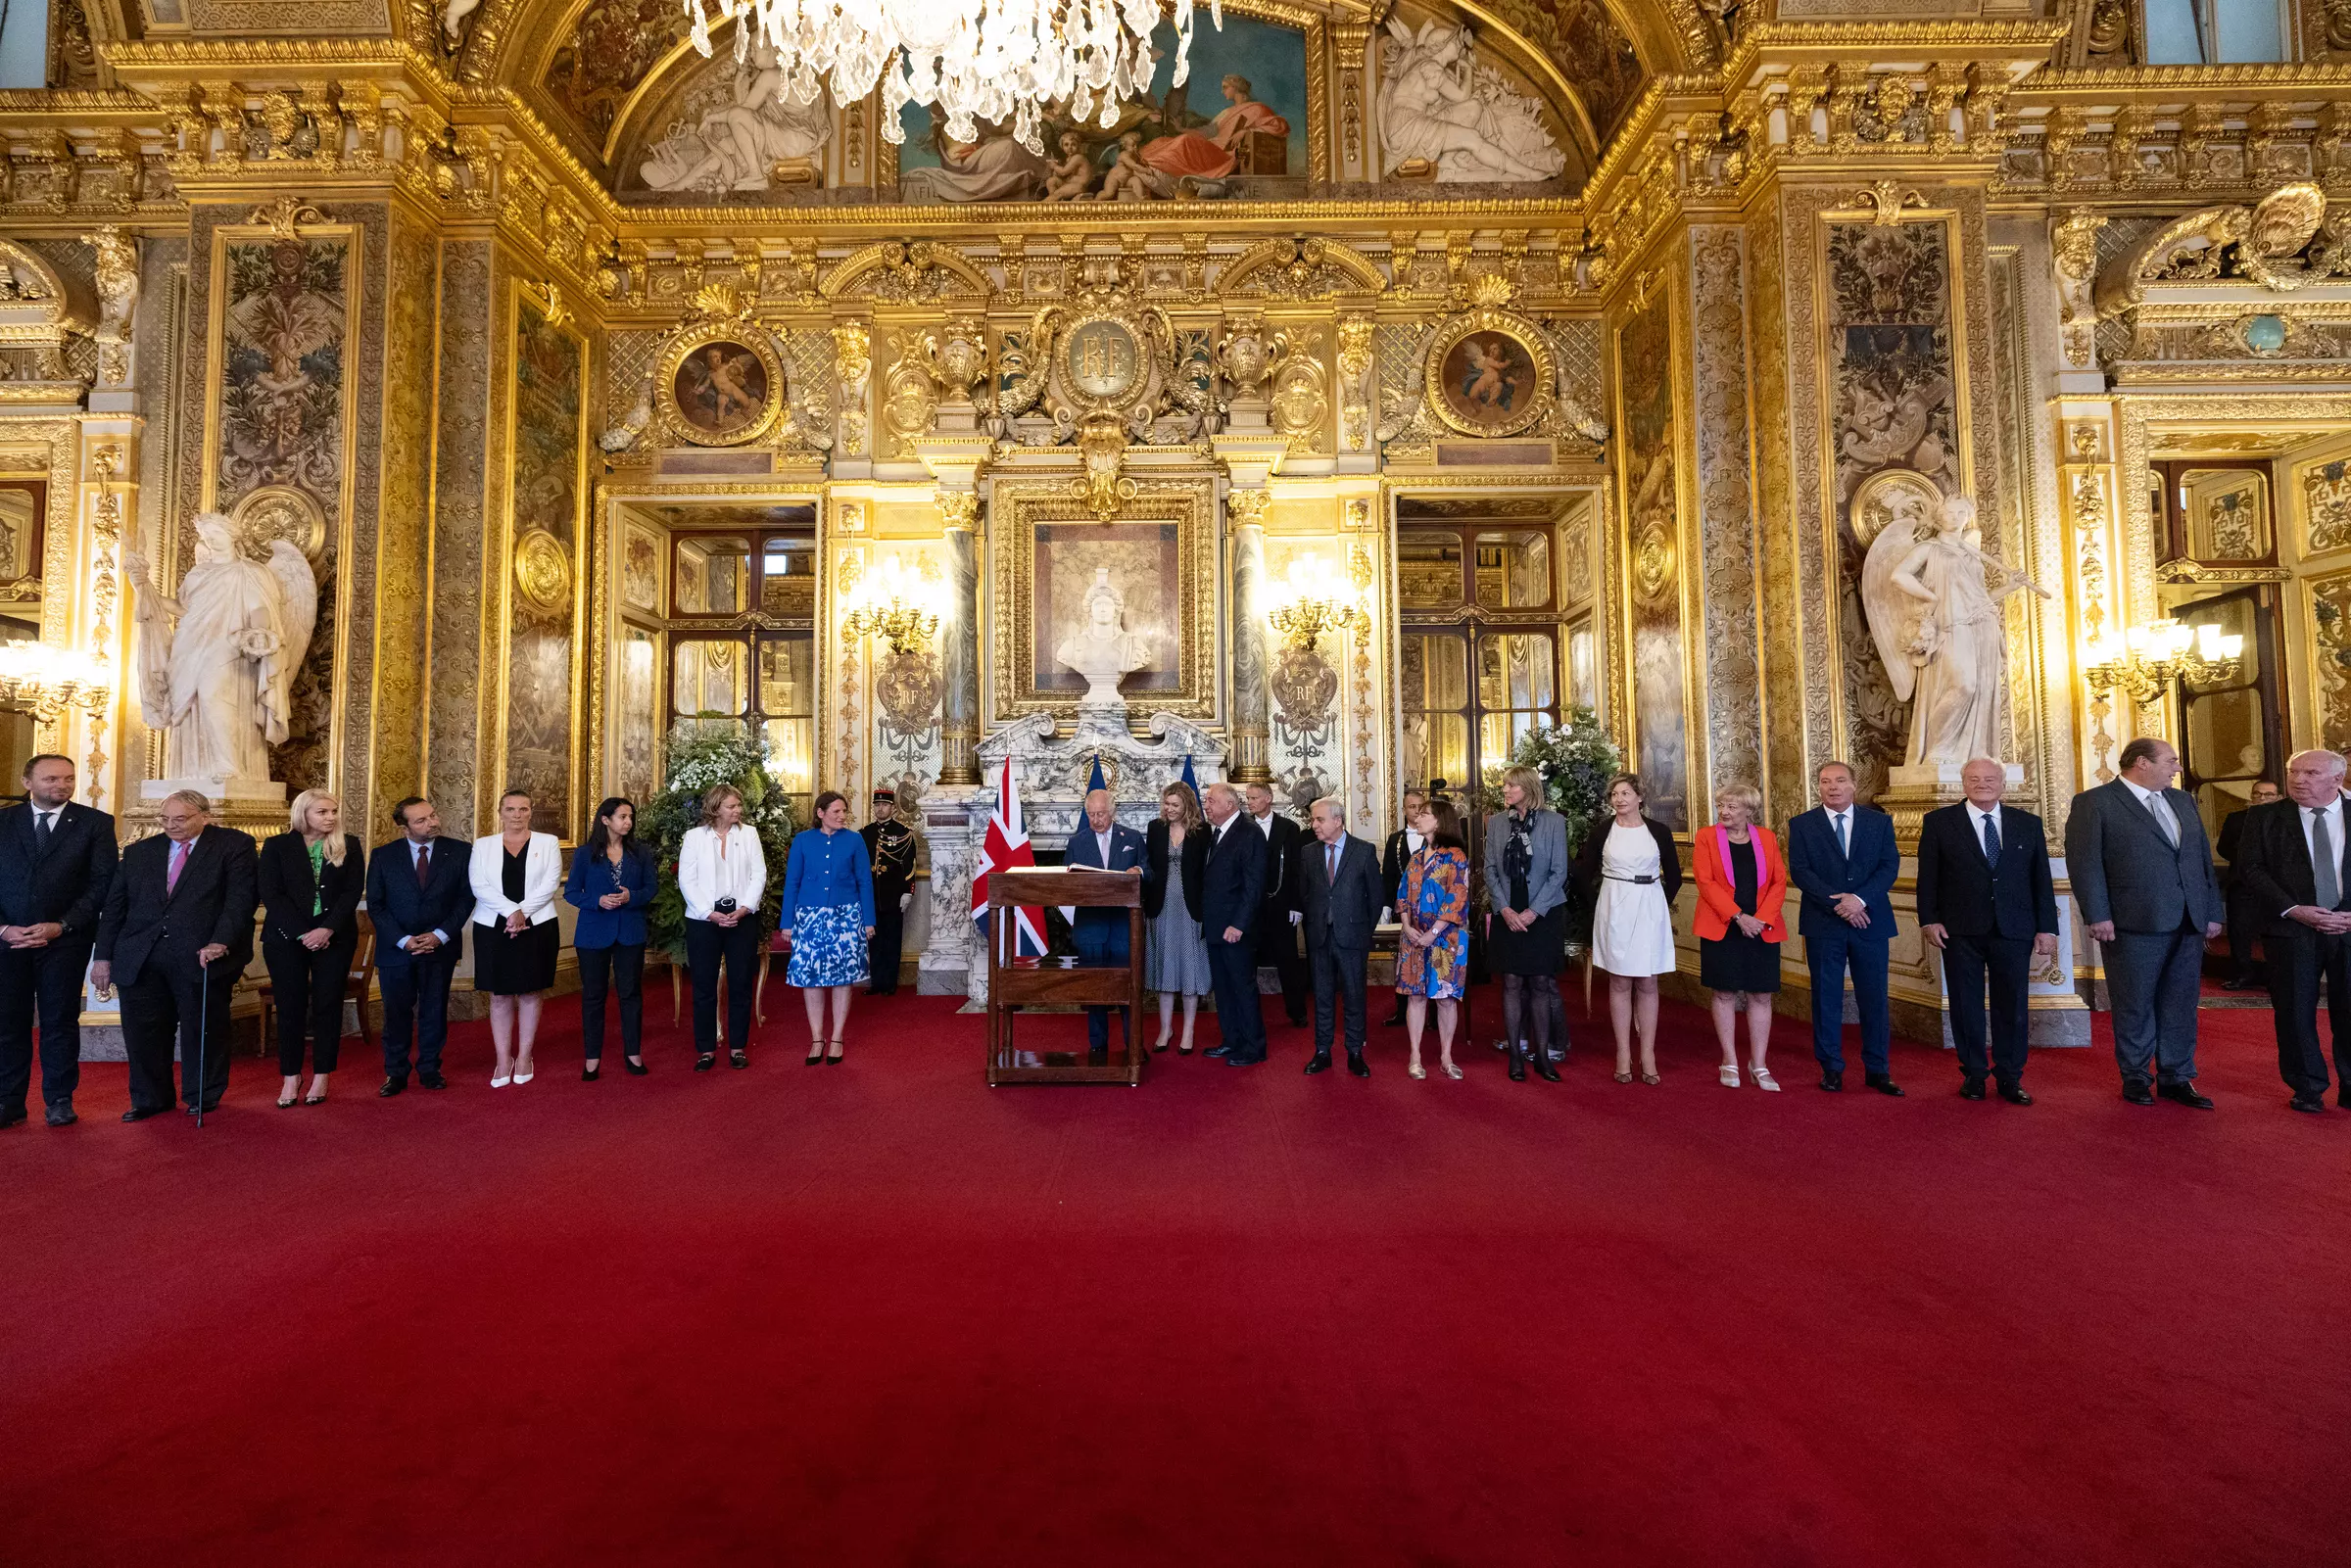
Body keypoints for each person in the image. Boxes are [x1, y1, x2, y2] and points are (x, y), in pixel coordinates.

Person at [2066, 736, 2224, 1108]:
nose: (2178, 768)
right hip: (2131, 921)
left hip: (2189, 919)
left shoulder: (2182, 800)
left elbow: (2201, 859)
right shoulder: (2095, 802)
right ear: (2142, 763)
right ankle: (2136, 1076)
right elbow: (2085, 863)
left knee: (2181, 1003)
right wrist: (2098, 914)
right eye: (2171, 761)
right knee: (2134, 1003)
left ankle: (2177, 1076)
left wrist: (2212, 911)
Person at [91, 789, 258, 1120]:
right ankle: (150, 1099)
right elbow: (114, 908)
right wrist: (102, 957)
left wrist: (221, 941)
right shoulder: (140, 851)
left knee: (202, 1029)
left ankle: (201, 1095)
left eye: (180, 819)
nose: (170, 825)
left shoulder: (233, 845)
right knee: (143, 1031)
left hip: (201, 954)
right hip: (141, 955)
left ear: (204, 816)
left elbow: (240, 900)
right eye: (164, 819)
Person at [1915, 758, 2059, 1105]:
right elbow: (1928, 878)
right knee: (1965, 1004)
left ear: (2003, 784)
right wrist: (1929, 919)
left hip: (2014, 929)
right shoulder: (1939, 822)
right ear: (1963, 783)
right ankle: (1974, 1074)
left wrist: (2047, 928)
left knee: (2012, 1005)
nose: (1983, 784)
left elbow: (2041, 880)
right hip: (1959, 930)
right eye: (1975, 778)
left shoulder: (2027, 823)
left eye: (1990, 778)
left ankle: (2010, 1076)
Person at [2229, 748, 2351, 1114]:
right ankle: (2307, 1087)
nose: (2298, 779)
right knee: (2294, 1011)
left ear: (2337, 779)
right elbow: (2251, 869)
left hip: (2348, 927)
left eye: (2311, 773)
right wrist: (2294, 910)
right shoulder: (2264, 817)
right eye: (2294, 772)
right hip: (2291, 928)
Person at [0, 754, 117, 1128]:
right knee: (8, 1023)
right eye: (51, 779)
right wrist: (3, 928)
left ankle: (60, 1101)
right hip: (8, 942)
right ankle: (8, 1102)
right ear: (27, 783)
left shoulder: (95, 823)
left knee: (59, 1022)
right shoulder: (4, 821)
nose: (62, 785)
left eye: (68, 778)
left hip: (64, 942)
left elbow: (102, 884)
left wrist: (62, 925)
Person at [1787, 760, 1904, 1096]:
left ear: (1854, 785)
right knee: (1826, 998)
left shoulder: (1879, 822)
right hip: (1824, 923)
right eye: (1826, 782)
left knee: (1874, 997)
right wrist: (1840, 904)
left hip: (1870, 921)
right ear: (1819, 787)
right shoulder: (1802, 824)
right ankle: (1831, 1068)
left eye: (1840, 780)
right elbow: (1801, 871)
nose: (1833, 787)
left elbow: (1889, 866)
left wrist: (1859, 900)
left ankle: (1878, 1070)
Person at [256, 789, 363, 1108]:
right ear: (303, 814)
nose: (330, 817)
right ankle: (291, 1076)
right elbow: (271, 893)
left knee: (327, 1005)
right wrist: (304, 933)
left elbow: (352, 892)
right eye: (322, 812)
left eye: (333, 811)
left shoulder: (349, 844)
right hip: (286, 938)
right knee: (290, 1006)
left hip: (335, 937)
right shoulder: (277, 845)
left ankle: (322, 1074)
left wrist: (326, 929)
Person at [365, 796, 472, 1097]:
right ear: (405, 828)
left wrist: (440, 934)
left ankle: (430, 1069)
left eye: (433, 815)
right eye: (421, 820)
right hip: (396, 949)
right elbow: (376, 905)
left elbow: (466, 898)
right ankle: (395, 1072)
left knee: (434, 1011)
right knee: (396, 1013)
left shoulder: (460, 851)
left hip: (440, 947)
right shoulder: (383, 856)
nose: (432, 823)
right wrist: (403, 940)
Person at [1578, 774, 1681, 1085]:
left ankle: (1648, 1054)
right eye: (1614, 794)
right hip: (1614, 907)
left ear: (1640, 797)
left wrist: (1658, 905)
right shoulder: (1601, 832)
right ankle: (1623, 1054)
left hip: (1649, 906)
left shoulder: (1659, 831)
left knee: (1648, 982)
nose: (1619, 798)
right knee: (1620, 981)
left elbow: (1674, 876)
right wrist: (1600, 906)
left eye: (1625, 793)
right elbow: (1582, 874)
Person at [1693, 783, 1786, 1092]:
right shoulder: (1706, 837)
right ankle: (1729, 1060)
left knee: (1761, 995)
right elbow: (1705, 882)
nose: (1724, 811)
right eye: (1721, 805)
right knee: (1724, 992)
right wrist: (1738, 916)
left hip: (1761, 927)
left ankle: (1759, 1064)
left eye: (1732, 806)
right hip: (1723, 926)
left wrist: (1761, 920)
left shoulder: (1767, 838)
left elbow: (1778, 882)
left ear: (1749, 810)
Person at [468, 788, 562, 1088]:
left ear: (531, 812)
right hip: (493, 926)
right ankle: (502, 1059)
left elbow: (550, 883)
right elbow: (478, 885)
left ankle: (524, 1056)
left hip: (538, 925)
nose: (517, 815)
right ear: (500, 813)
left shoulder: (548, 842)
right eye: (510, 809)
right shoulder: (483, 845)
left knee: (531, 992)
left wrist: (523, 914)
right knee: (499, 995)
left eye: (523, 809)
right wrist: (512, 912)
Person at [1484, 766, 1572, 1083]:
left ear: (1529, 789)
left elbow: (1559, 872)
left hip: (1543, 914)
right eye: (1505, 785)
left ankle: (1544, 1055)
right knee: (1510, 982)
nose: (1506, 790)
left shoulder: (1554, 822)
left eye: (1512, 786)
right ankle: (1515, 1056)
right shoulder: (1497, 822)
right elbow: (1490, 869)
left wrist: (1534, 911)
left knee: (1539, 982)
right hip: (1508, 913)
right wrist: (1504, 909)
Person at [686, 783, 778, 1069]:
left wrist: (745, 908)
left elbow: (759, 874)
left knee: (740, 983)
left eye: (739, 805)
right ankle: (706, 1050)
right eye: (732, 806)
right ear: (715, 808)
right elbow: (687, 879)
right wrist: (708, 913)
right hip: (703, 920)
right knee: (703, 985)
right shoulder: (694, 837)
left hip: (742, 918)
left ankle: (738, 1047)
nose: (738, 810)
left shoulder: (749, 834)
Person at [564, 796, 653, 1081]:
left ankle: (633, 1053)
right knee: (593, 996)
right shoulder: (584, 854)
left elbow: (651, 888)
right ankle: (592, 1058)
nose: (628, 822)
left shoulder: (641, 852)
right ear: (605, 820)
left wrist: (631, 897)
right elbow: (571, 892)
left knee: (631, 994)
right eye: (622, 817)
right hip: (593, 933)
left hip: (630, 931)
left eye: (630, 817)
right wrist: (598, 900)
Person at [779, 788, 869, 1067]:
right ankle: (817, 1038)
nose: (842, 816)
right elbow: (792, 883)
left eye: (844, 811)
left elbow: (864, 882)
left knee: (843, 978)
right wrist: (787, 923)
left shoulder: (855, 840)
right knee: (811, 979)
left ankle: (837, 1037)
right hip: (809, 917)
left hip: (847, 917)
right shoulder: (802, 840)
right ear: (820, 813)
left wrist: (869, 921)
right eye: (836, 811)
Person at [1297, 796, 1384, 1078]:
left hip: (1353, 937)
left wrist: (1363, 932)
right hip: (1319, 936)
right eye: (1313, 819)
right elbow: (1304, 894)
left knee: (1354, 996)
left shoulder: (1363, 851)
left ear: (1338, 821)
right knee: (1322, 996)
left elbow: (1376, 897)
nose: (1314, 825)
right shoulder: (1308, 853)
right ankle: (1322, 1051)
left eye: (1319, 819)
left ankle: (1355, 1051)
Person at [1063, 787, 1146, 1064]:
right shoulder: (1077, 842)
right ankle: (1098, 1046)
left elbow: (1150, 870)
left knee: (1128, 987)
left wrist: (1139, 872)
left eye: (1100, 814)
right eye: (1091, 814)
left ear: (1112, 812)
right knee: (1095, 988)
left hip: (1124, 926)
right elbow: (1065, 883)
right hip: (1091, 928)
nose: (1096, 820)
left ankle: (1134, 1045)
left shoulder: (1132, 838)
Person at [1396, 798, 1471, 1080]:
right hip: (1414, 937)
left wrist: (1433, 933)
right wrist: (1407, 927)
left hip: (1445, 938)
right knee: (1415, 996)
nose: (1417, 817)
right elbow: (1402, 894)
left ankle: (1446, 1057)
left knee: (1445, 999)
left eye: (1424, 813)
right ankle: (1415, 1057)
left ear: (1440, 821)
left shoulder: (1455, 856)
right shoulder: (1416, 857)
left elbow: (1457, 898)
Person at [1198, 782, 1269, 1066]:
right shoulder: (1217, 832)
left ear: (1229, 805)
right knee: (1224, 988)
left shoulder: (1250, 833)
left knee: (1242, 987)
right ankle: (1232, 1040)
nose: (1206, 805)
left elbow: (1254, 885)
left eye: (1210, 800)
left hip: (1236, 929)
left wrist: (1238, 924)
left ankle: (1254, 1047)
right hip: (1216, 926)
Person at [1142, 782, 1213, 1054]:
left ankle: (1188, 1030)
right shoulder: (1155, 828)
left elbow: (1206, 873)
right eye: (1167, 804)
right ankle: (1165, 1029)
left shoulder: (1202, 831)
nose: (1169, 809)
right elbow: (1149, 867)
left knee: (1189, 969)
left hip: (1190, 908)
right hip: (1161, 908)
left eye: (1175, 805)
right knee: (1165, 967)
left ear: (1187, 806)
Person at [1240, 783, 1310, 1029]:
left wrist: (1296, 905)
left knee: (1288, 961)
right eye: (1248, 798)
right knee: (1247, 963)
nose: (1249, 802)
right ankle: (1247, 1014)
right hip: (1250, 908)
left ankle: (1297, 1011)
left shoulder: (1289, 828)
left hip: (1281, 904)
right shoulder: (1242, 826)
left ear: (1268, 798)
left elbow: (1296, 869)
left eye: (1254, 798)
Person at [2217, 780, 2282, 989]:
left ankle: (2275, 977)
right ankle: (2242, 974)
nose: (2262, 798)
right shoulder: (2236, 818)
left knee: (2275, 933)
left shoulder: (2286, 819)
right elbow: (2223, 848)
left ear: (2279, 797)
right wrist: (2246, 861)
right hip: (2242, 883)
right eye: (2257, 794)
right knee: (2239, 932)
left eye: (2268, 795)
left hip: (2277, 886)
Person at [861, 787, 920, 997]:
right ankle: (876, 983)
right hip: (871, 896)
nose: (880, 809)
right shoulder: (864, 833)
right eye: (877, 805)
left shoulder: (903, 832)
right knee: (874, 940)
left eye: (884, 805)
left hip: (894, 895)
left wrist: (908, 892)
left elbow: (909, 865)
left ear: (893, 808)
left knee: (892, 939)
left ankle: (889, 984)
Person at [1379, 787, 1426, 1025]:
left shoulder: (1435, 837)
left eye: (1420, 807)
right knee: (1403, 961)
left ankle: (1432, 1015)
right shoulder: (1394, 839)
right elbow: (1388, 875)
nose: (1416, 811)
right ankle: (1402, 1011)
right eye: (1411, 807)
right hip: (1402, 910)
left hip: (1429, 911)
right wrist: (1387, 907)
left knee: (1430, 960)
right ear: (1404, 810)